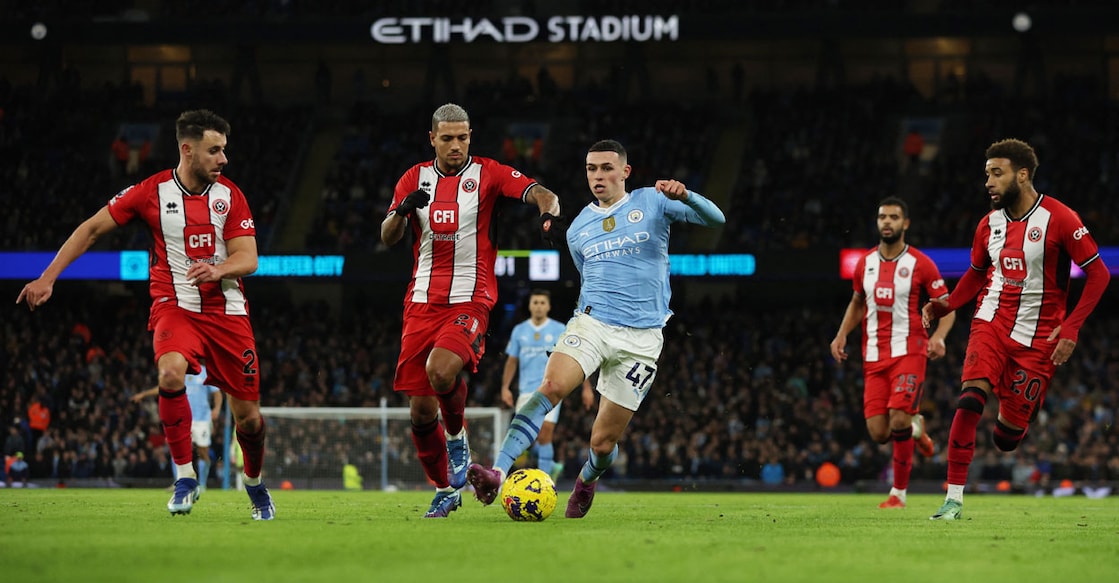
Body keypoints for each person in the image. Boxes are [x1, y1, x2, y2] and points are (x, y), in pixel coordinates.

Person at [16, 109, 275, 520]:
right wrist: (48, 277)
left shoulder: (231, 196)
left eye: (224, 150)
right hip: (176, 306)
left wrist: (219, 268)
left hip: (228, 312)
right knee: (170, 374)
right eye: (214, 150)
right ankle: (185, 477)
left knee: (250, 419)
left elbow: (249, 257)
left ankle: (255, 483)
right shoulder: (150, 192)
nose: (223, 159)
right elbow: (91, 229)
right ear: (187, 150)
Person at [466, 139, 726, 518]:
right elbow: (587, 277)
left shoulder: (652, 201)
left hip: (642, 338)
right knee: (550, 386)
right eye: (591, 168)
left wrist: (687, 196)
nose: (598, 176)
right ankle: (497, 471)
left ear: (625, 171)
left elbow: (715, 219)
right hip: (592, 322)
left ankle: (587, 480)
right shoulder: (578, 229)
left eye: (606, 168)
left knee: (603, 442)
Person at [379, 103, 562, 518]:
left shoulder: (489, 173)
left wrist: (549, 213)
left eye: (463, 137)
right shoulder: (413, 178)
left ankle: (458, 436)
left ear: (470, 136)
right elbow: (388, 234)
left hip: (471, 297)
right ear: (433, 139)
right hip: (421, 301)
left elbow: (539, 192)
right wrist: (403, 210)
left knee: (442, 370)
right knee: (421, 413)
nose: (457, 145)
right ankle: (445, 489)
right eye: (448, 138)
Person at [922, 138, 1110, 520]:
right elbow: (976, 275)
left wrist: (1071, 329)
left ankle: (1022, 405)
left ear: (1022, 175)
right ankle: (953, 499)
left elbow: (1099, 273)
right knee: (970, 400)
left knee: (1006, 440)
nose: (988, 183)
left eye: (996, 173)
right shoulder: (987, 224)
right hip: (990, 321)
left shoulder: (1060, 218)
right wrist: (949, 303)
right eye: (986, 174)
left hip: (1039, 338)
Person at [830, 196, 956, 509]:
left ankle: (897, 495)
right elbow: (858, 303)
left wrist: (938, 337)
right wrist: (842, 334)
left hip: (910, 351)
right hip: (873, 356)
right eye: (882, 217)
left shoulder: (921, 264)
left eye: (894, 217)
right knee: (878, 432)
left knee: (898, 418)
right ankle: (917, 427)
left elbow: (947, 306)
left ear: (905, 223)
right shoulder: (865, 263)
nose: (887, 222)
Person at [500, 289, 594, 480]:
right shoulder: (520, 330)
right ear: (530, 306)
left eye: (542, 303)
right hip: (526, 391)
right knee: (524, 438)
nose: (539, 306)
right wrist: (505, 387)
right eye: (535, 302)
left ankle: (544, 479)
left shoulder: (559, 329)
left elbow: (575, 358)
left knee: (545, 433)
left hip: (549, 388)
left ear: (548, 306)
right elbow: (512, 361)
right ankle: (550, 466)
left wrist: (586, 388)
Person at [131, 361, 223, 492]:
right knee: (177, 450)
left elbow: (217, 393)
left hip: (202, 419)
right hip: (183, 418)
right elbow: (163, 388)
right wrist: (144, 394)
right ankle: (178, 482)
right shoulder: (179, 371)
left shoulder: (204, 371)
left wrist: (217, 409)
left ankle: (202, 484)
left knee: (203, 453)